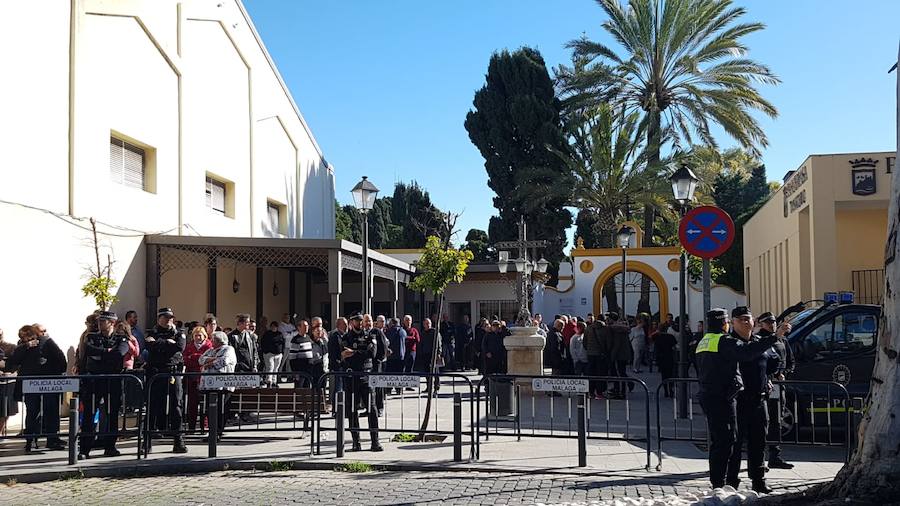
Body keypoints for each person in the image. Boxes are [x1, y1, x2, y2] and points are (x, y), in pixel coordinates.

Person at [695, 307, 780, 492]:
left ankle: (747, 481)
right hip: (729, 399)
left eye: (748, 319)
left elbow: (772, 361)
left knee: (744, 441)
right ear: (728, 323)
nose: (746, 322)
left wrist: (768, 379)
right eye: (740, 319)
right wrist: (774, 337)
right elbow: (746, 353)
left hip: (739, 397)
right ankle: (724, 484)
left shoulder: (706, 340)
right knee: (727, 442)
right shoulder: (726, 341)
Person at [4, 325, 67, 452]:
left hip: (48, 383)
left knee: (50, 411)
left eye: (27, 337)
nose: (25, 340)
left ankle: (51, 439)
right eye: (22, 338)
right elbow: (13, 361)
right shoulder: (22, 347)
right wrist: (26, 346)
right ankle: (31, 440)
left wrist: (55, 373)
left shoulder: (46, 342)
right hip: (30, 385)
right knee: (33, 412)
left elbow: (60, 359)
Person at [79, 311, 129, 459]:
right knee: (89, 413)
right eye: (100, 321)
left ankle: (110, 446)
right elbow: (88, 350)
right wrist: (108, 352)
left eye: (103, 321)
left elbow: (120, 353)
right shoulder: (91, 337)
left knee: (111, 413)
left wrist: (101, 355)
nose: (100, 324)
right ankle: (84, 448)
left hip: (112, 379)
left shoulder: (122, 338)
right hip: (94, 380)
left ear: (112, 323)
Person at [145, 307, 188, 454]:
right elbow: (149, 346)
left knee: (177, 406)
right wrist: (167, 343)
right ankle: (147, 441)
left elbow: (179, 347)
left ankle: (178, 440)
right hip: (156, 371)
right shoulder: (151, 332)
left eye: (171, 317)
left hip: (173, 371)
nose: (169, 320)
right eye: (165, 317)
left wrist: (160, 343)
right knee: (153, 406)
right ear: (159, 319)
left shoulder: (179, 333)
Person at [337, 313, 382, 452]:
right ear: (351, 322)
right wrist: (360, 352)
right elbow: (345, 354)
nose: (360, 322)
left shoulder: (370, 336)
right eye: (357, 320)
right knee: (352, 410)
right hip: (352, 377)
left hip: (366, 376)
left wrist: (354, 352)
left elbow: (371, 354)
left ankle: (375, 441)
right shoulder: (346, 337)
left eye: (361, 320)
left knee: (372, 409)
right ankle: (356, 442)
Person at [758, 311, 795, 471]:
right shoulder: (760, 340)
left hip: (779, 387)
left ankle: (775, 456)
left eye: (773, 322)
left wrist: (784, 373)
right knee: (764, 422)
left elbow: (790, 361)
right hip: (765, 386)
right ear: (762, 324)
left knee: (777, 421)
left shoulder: (783, 340)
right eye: (768, 322)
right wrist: (772, 375)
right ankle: (759, 458)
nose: (772, 324)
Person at [200, 331, 237, 442]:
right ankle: (211, 433)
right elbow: (201, 359)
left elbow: (224, 361)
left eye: (213, 339)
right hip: (209, 385)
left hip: (223, 385)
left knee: (221, 409)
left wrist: (209, 362)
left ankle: (218, 432)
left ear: (219, 340)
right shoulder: (211, 350)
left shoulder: (228, 349)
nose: (211, 341)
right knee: (209, 410)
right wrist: (212, 360)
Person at [182, 326, 212, 433]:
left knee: (206, 403)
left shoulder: (209, 345)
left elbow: (207, 360)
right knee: (192, 403)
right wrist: (198, 358)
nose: (198, 337)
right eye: (195, 335)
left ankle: (205, 426)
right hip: (192, 377)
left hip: (204, 377)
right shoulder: (189, 346)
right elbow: (185, 359)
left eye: (200, 335)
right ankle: (191, 427)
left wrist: (194, 357)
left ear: (204, 336)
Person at [606, 312, 632, 399]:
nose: (606, 319)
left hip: (617, 354)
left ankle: (619, 391)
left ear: (611, 319)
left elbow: (615, 343)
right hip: (624, 353)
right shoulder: (623, 328)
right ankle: (623, 390)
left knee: (616, 374)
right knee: (622, 373)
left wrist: (612, 356)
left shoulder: (613, 329)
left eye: (608, 318)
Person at [584, 316, 608, 399]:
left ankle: (591, 392)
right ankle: (599, 392)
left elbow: (585, 342)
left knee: (591, 373)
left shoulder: (588, 328)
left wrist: (589, 349)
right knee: (600, 373)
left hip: (590, 354)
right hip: (601, 354)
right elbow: (608, 342)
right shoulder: (605, 329)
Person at [0, 328, 18, 437]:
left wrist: (12, 373)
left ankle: (1, 431)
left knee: (6, 409)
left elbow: (16, 363)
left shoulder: (10, 347)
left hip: (8, 382)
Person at [416, 318, 441, 396]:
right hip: (425, 354)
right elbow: (421, 344)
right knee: (427, 372)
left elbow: (439, 343)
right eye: (426, 323)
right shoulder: (423, 333)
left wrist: (438, 353)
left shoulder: (435, 332)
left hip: (433, 354)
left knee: (435, 372)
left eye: (429, 323)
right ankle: (428, 387)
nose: (427, 325)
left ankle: (436, 388)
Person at [384, 318, 407, 393]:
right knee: (399, 373)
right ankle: (399, 389)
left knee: (390, 373)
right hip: (401, 356)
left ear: (393, 323)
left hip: (391, 356)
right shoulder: (403, 331)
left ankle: (389, 389)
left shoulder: (389, 331)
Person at [654, 326, 678, 397]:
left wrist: (656, 359)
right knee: (670, 374)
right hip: (669, 357)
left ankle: (665, 391)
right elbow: (674, 347)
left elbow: (656, 349)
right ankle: (670, 389)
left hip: (661, 358)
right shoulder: (671, 337)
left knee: (664, 375)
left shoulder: (658, 338)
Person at [259, 321, 285, 387]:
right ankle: (268, 381)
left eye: (275, 326)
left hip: (278, 354)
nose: (274, 328)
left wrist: (282, 352)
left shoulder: (280, 334)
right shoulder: (267, 334)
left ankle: (274, 381)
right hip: (269, 354)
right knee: (270, 367)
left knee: (276, 368)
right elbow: (263, 342)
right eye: (272, 326)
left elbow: (283, 343)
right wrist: (265, 351)